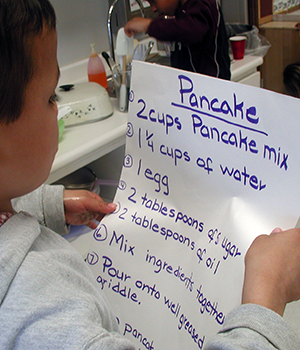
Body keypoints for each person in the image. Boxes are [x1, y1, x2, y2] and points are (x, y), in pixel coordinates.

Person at [0, 0, 299, 349]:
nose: (58, 109)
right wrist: (264, 302)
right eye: (51, 96)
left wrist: (45, 205)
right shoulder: (43, 304)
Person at [124, 0, 231, 80]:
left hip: (212, 94)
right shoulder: (182, 11)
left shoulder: (202, 4)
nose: (153, 8)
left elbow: (191, 30)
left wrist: (149, 25)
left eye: (153, 1)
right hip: (193, 92)